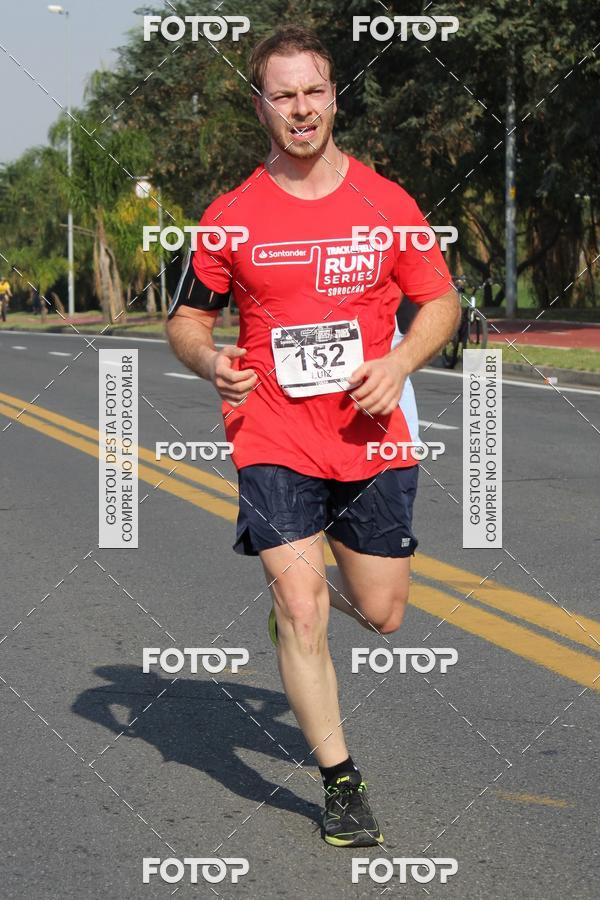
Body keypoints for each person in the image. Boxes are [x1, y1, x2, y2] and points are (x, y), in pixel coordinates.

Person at [166, 25, 459, 847]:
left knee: (383, 611)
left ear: (334, 98)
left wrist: (400, 362)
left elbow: (441, 301)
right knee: (302, 608)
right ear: (260, 105)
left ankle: (305, 590)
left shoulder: (386, 202)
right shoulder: (229, 217)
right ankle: (341, 782)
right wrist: (208, 362)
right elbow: (187, 320)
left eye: (313, 92)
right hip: (273, 433)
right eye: (283, 94)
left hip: (370, 435)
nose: (300, 108)